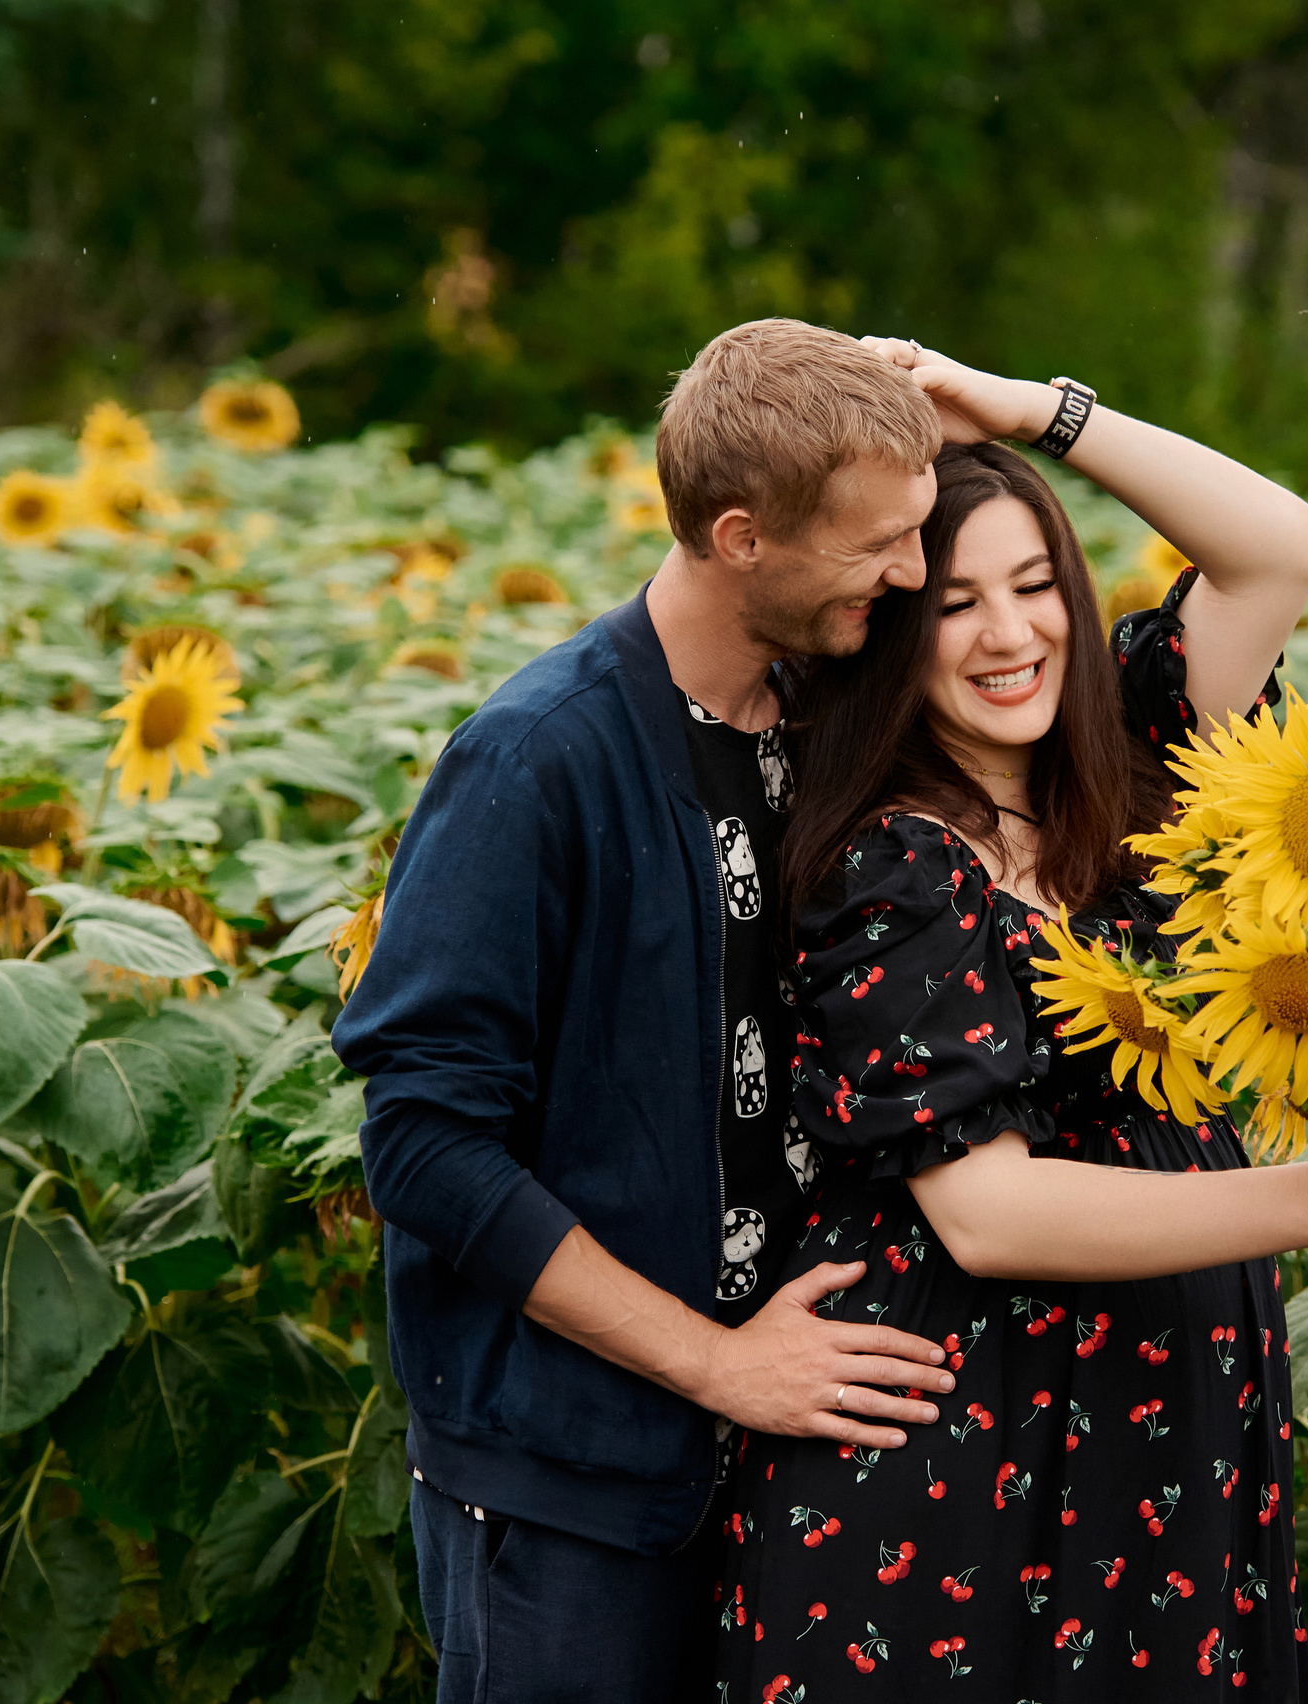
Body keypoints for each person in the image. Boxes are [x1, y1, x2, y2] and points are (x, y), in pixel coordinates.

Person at [713, 346, 1308, 1699]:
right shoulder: (893, 863)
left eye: (1034, 587)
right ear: (896, 626)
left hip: (1161, 1422)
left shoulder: (1144, 757)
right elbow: (989, 1214)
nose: (1009, 635)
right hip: (963, 1437)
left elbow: (1278, 548)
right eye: (955, 603)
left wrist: (1028, 412)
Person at [334, 320, 979, 1703]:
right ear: (740, 536)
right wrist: (720, 1366)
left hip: (783, 1462)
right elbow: (426, 1152)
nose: (914, 575)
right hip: (570, 1484)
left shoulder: (834, 723)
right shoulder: (534, 761)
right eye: (880, 543)